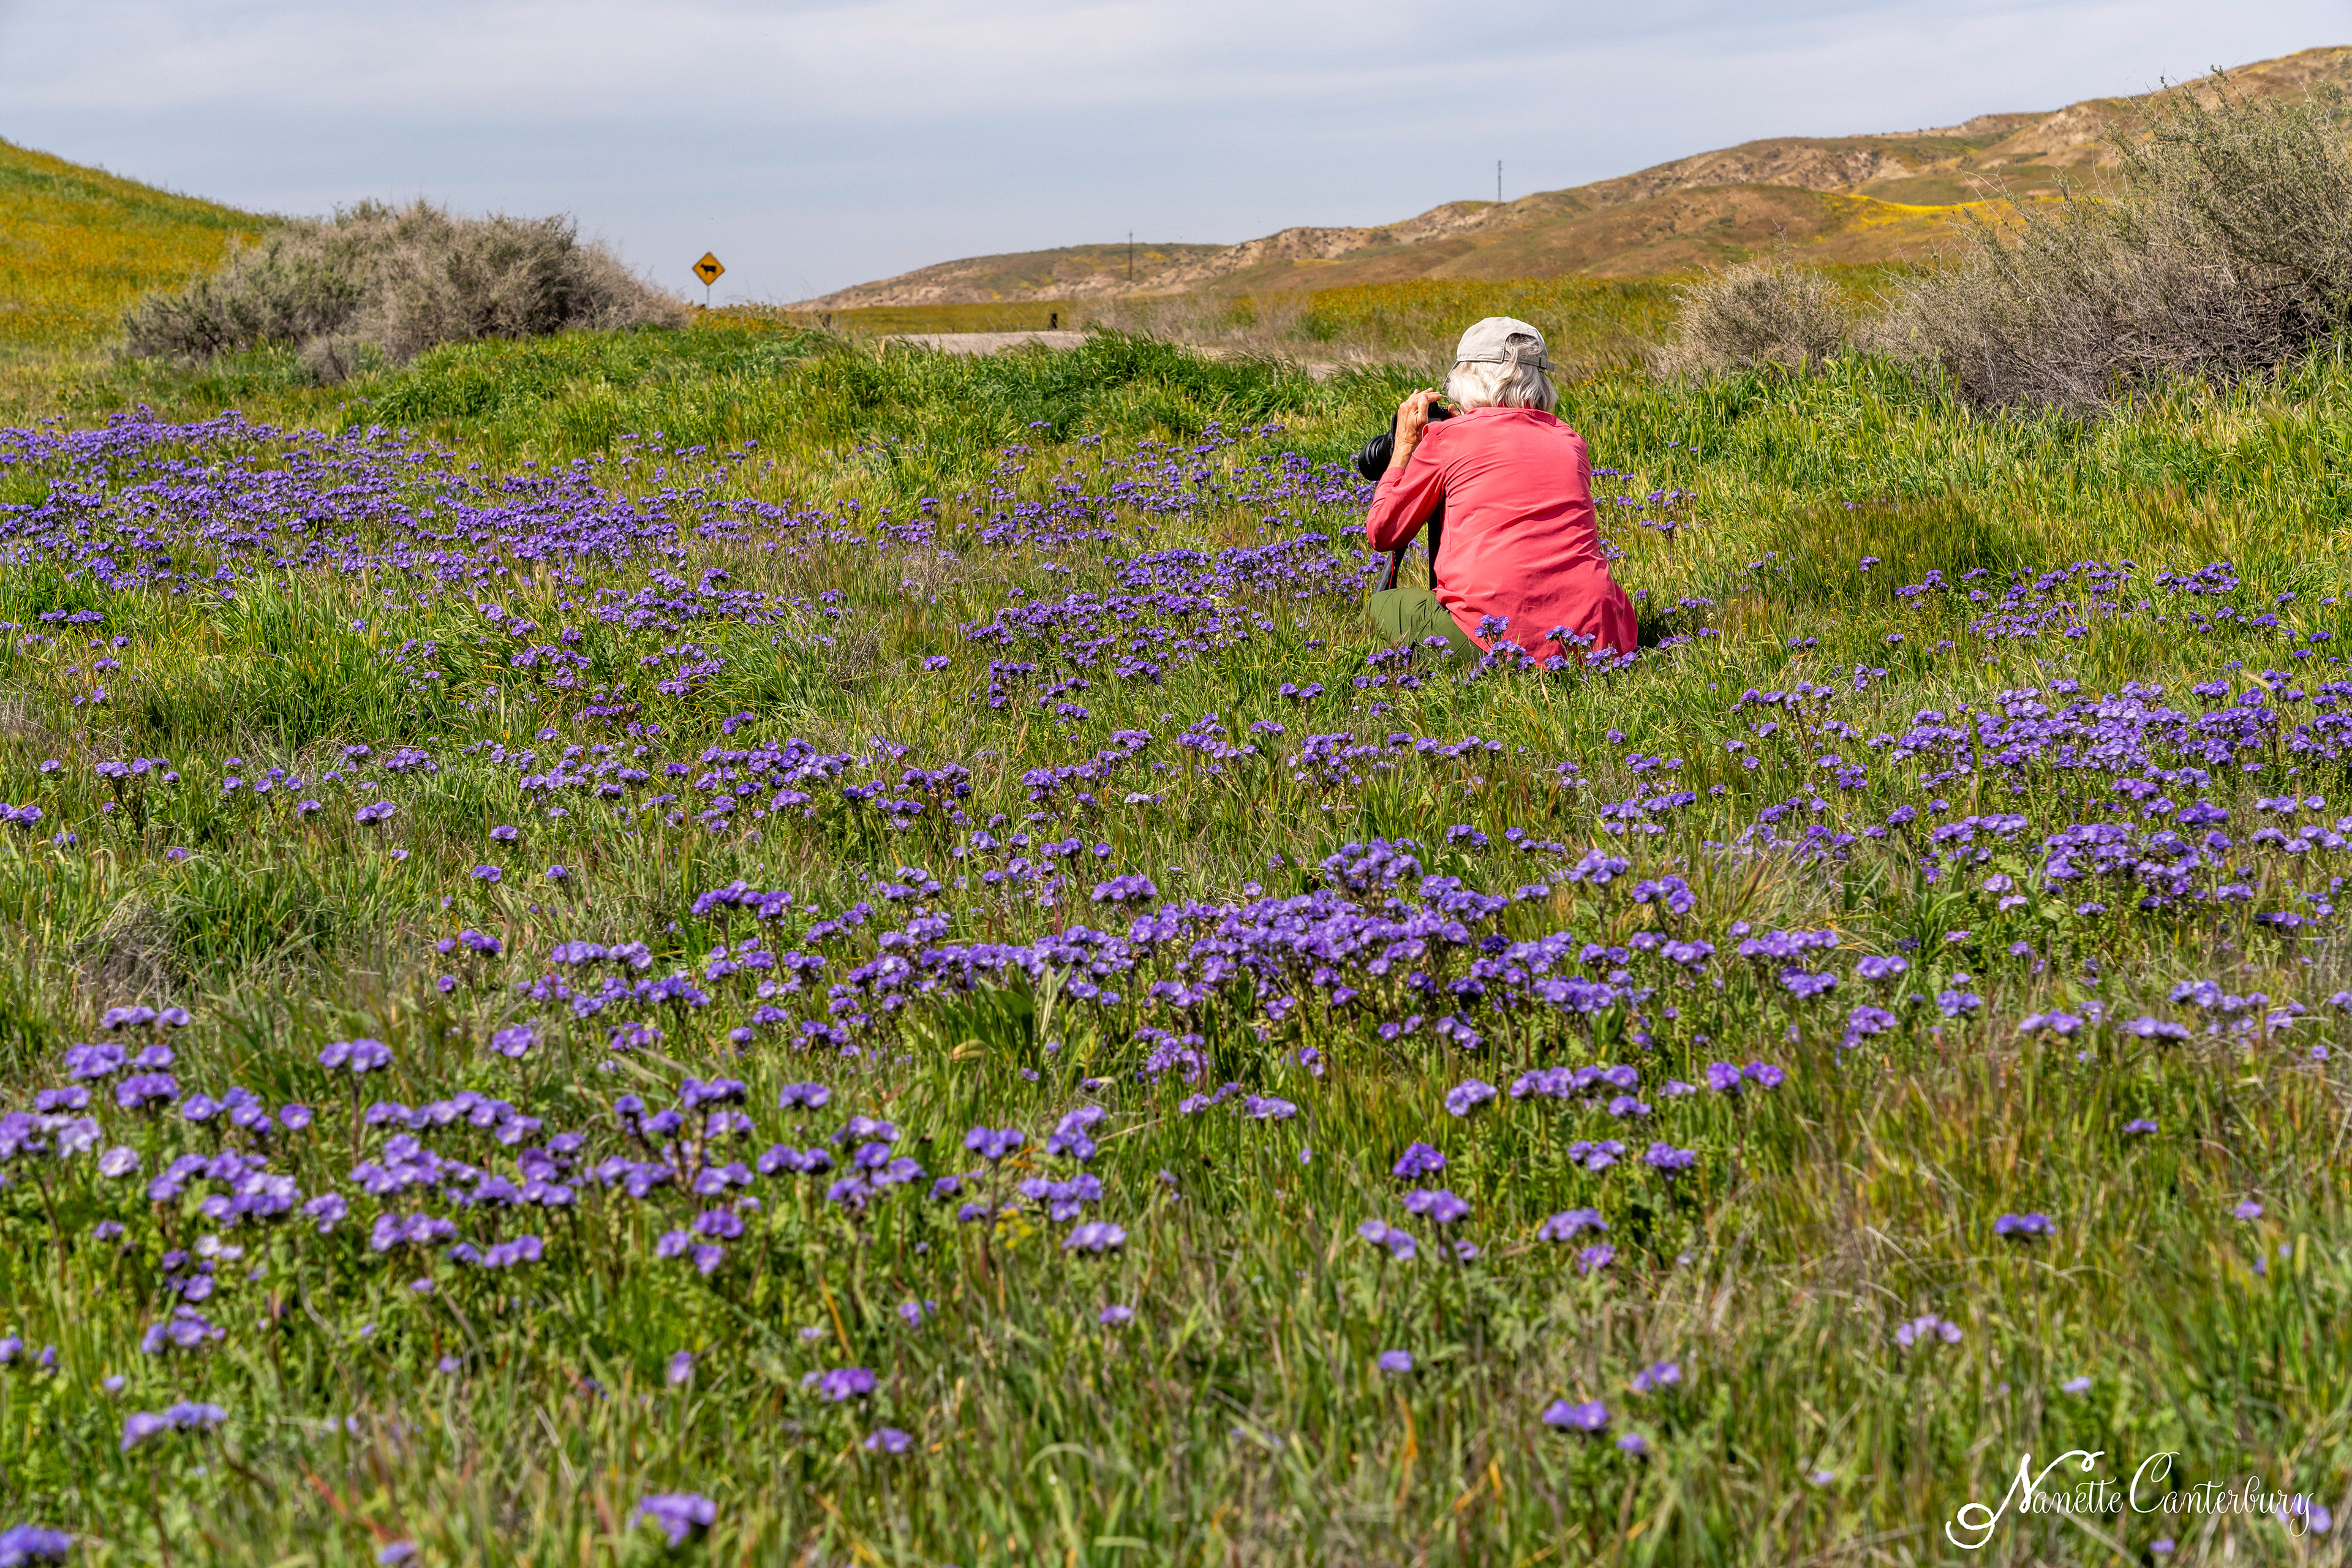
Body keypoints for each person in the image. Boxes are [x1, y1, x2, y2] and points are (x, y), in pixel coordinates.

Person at [1363, 317, 1638, 668]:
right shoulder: (1570, 441)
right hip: (1597, 639)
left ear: (1466, 377)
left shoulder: (1450, 438)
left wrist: (1403, 448)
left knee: (1381, 608)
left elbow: (1384, 533)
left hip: (1497, 637)